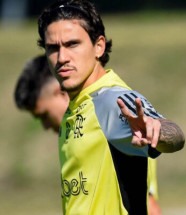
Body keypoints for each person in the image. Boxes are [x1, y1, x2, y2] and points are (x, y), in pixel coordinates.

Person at [37, 0, 185, 214]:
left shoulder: (111, 100)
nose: (62, 58)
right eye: (53, 48)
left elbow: (176, 136)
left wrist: (158, 131)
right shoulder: (76, 107)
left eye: (72, 44)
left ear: (99, 46)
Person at [14, 54, 161, 214]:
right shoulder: (73, 137)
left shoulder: (113, 123)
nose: (45, 126)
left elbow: (149, 205)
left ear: (60, 92)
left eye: (44, 115)